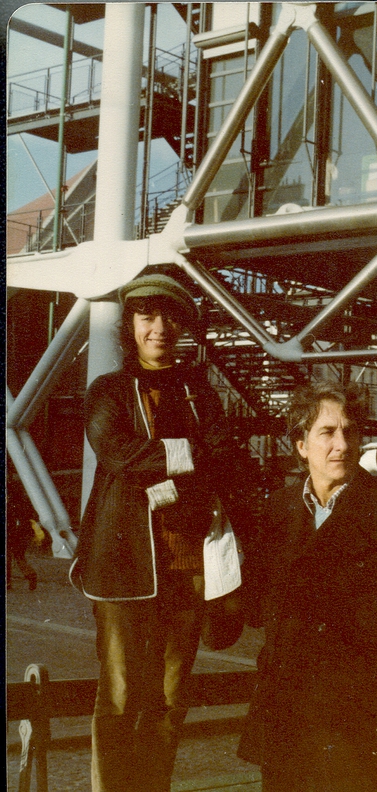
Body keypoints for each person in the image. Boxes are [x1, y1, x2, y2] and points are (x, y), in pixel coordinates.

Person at [70, 273, 256, 792]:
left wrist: (172, 473)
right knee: (122, 696)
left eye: (170, 317)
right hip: (123, 565)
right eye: (147, 316)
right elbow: (120, 454)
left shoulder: (199, 390)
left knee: (172, 700)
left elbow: (226, 460)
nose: (159, 328)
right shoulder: (107, 390)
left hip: (189, 567)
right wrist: (191, 455)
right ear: (129, 325)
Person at [237, 381, 377, 792]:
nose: (342, 444)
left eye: (350, 431)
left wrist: (346, 622)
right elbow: (254, 601)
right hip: (284, 705)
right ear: (300, 445)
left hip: (354, 704)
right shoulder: (277, 509)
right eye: (327, 432)